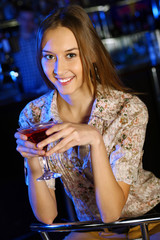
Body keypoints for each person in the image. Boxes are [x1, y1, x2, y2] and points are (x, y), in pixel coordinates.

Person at [14, 5, 160, 239]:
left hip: (148, 221)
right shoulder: (34, 115)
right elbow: (47, 217)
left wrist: (95, 140)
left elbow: (112, 213)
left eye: (71, 55)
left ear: (90, 54)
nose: (59, 69)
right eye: (49, 57)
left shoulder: (128, 109)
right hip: (92, 230)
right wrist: (32, 164)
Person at [13, 5, 48, 94]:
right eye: (24, 19)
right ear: (18, 19)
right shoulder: (13, 42)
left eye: (30, 20)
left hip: (46, 87)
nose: (27, 23)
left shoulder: (39, 38)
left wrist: (39, 32)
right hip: (26, 90)